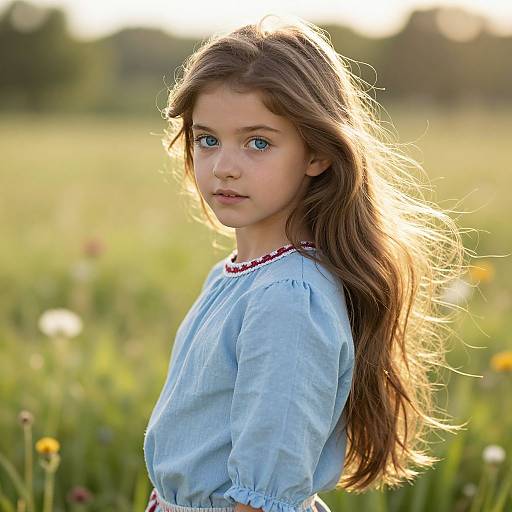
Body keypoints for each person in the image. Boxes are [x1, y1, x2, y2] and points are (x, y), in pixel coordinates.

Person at [143, 13, 468, 512]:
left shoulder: (288, 298)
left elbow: (264, 489)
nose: (223, 165)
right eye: (207, 139)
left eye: (258, 143)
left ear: (317, 152)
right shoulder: (236, 276)